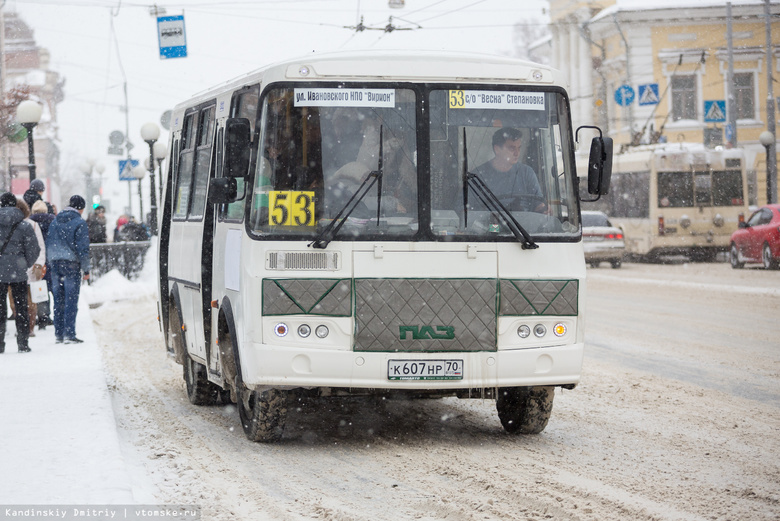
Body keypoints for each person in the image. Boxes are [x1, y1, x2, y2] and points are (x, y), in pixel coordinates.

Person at [46, 195, 90, 344]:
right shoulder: (79, 223)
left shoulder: (55, 221)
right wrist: (86, 269)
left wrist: (51, 260)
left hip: (55, 263)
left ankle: (58, 333)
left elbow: (49, 242)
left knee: (58, 300)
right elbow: (83, 248)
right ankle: (69, 334)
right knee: (71, 299)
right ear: (81, 208)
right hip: (71, 264)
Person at [0, 192, 41, 353]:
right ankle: (23, 343)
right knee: (21, 306)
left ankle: (0, 344)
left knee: (0, 308)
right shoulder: (24, 225)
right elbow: (34, 249)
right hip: (18, 271)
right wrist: (25, 264)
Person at [473, 128, 546, 213]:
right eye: (512, 148)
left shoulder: (527, 173)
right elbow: (464, 212)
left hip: (522, 225)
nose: (517, 153)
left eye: (519, 148)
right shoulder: (477, 177)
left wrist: (544, 210)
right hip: (490, 225)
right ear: (497, 149)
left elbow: (539, 205)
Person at [30, 200, 55, 329]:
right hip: (50, 258)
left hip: (37, 260)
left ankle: (42, 317)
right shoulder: (52, 221)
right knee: (52, 288)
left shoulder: (30, 223)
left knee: (39, 288)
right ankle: (50, 315)